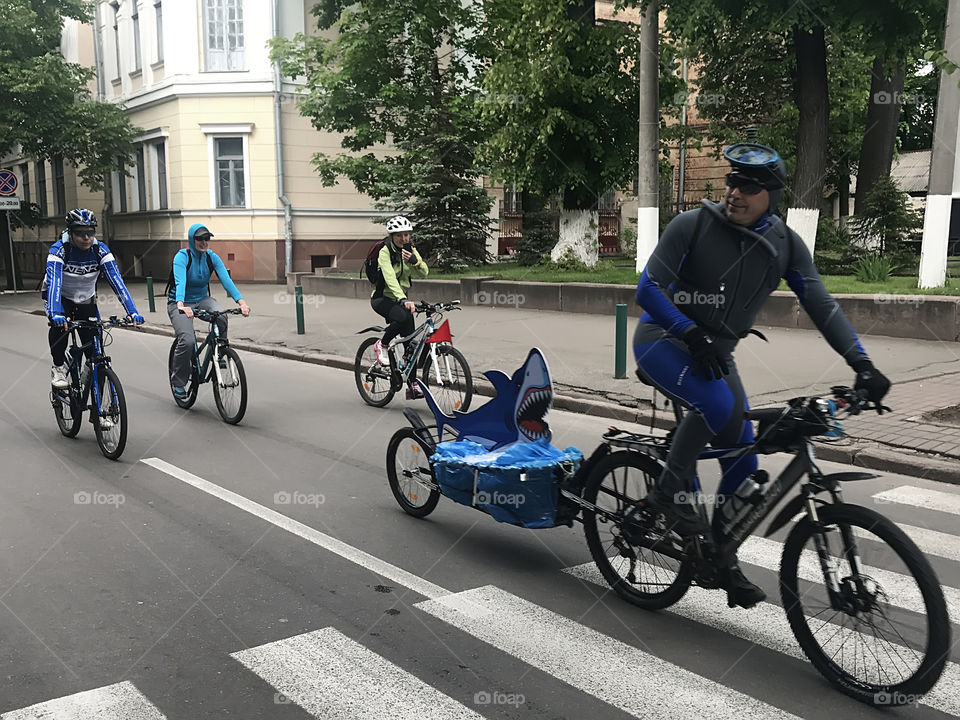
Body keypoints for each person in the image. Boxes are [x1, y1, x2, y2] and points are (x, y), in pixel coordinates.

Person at [633, 143, 891, 609]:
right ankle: (668, 492)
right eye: (733, 181)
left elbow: (822, 305)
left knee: (745, 463)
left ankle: (720, 557)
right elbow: (647, 290)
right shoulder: (692, 225)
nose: (735, 192)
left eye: (749, 187)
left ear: (771, 194)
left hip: (716, 354)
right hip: (663, 341)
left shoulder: (785, 245)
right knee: (716, 406)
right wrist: (691, 333)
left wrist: (863, 364)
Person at [43, 209, 144, 388]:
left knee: (94, 350)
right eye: (80, 233)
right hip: (60, 297)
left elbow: (117, 283)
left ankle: (99, 410)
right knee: (60, 327)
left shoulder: (100, 250)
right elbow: (54, 284)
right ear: (71, 233)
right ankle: (58, 367)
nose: (86, 237)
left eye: (90, 232)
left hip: (85, 299)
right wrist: (55, 313)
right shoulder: (59, 250)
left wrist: (132, 312)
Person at [167, 224, 250, 399]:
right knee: (188, 341)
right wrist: (181, 304)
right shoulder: (182, 257)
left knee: (221, 314)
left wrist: (241, 302)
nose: (204, 242)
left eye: (207, 238)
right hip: (179, 302)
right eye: (199, 239)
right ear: (192, 239)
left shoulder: (211, 257)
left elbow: (226, 280)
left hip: (203, 299)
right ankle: (178, 383)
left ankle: (220, 349)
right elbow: (180, 282)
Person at [370, 215, 429, 399]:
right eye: (399, 236)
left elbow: (425, 273)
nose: (404, 239)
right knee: (402, 317)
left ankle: (412, 385)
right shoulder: (385, 252)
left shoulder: (410, 249)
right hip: (382, 299)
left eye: (407, 235)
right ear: (392, 236)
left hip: (403, 300)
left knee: (410, 343)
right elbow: (389, 278)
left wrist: (415, 261)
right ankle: (382, 343)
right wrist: (403, 300)